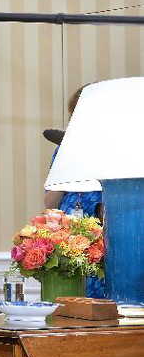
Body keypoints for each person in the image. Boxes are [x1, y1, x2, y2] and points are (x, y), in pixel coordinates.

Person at [43, 85, 106, 298]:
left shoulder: (112, 149)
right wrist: (66, 170)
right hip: (68, 238)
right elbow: (50, 203)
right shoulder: (62, 149)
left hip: (101, 238)